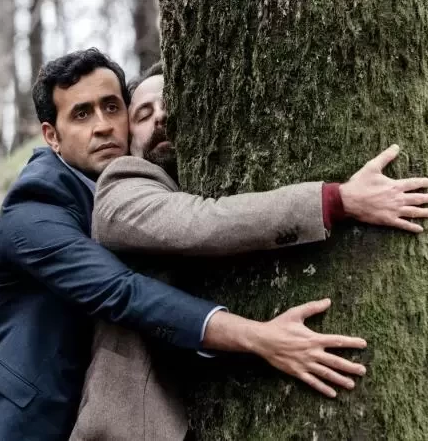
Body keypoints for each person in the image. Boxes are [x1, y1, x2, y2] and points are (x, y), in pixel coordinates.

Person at [0, 49, 369, 441]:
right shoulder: (33, 207)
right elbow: (120, 291)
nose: (103, 126)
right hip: (21, 423)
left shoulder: (131, 183)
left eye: (112, 107)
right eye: (81, 114)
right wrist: (259, 337)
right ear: (52, 136)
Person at [71, 61, 428, 440]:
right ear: (128, 137)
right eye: (143, 115)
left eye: (169, 105)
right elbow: (199, 222)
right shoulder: (119, 187)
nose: (159, 117)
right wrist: (338, 200)